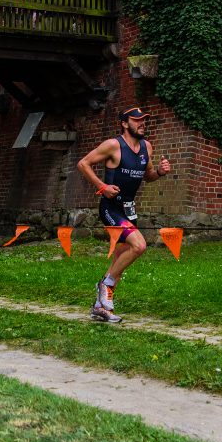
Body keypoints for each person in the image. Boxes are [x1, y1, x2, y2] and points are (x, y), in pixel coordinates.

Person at [77, 106, 171, 323]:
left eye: (144, 120)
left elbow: (148, 176)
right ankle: (105, 284)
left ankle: (101, 308)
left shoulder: (147, 147)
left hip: (129, 208)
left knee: (121, 259)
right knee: (139, 245)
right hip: (111, 208)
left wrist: (160, 172)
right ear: (124, 123)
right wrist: (102, 187)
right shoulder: (113, 145)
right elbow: (84, 164)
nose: (142, 123)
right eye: (137, 120)